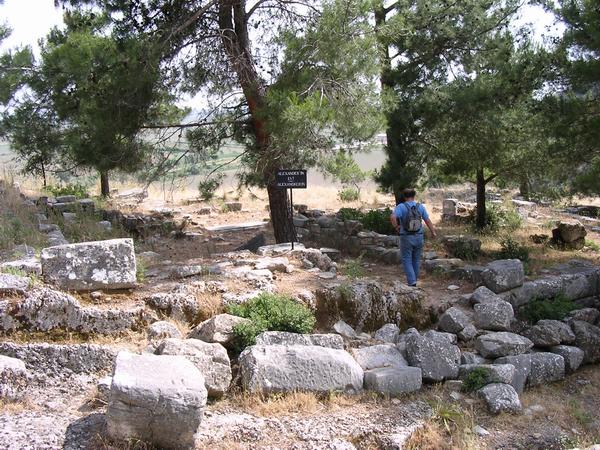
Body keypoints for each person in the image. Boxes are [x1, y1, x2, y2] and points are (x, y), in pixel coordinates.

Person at [390, 188, 437, 286]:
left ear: (404, 196)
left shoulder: (401, 207)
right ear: (414, 196)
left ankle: (412, 282)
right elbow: (427, 220)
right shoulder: (420, 207)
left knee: (407, 259)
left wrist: (396, 227)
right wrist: (433, 232)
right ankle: (414, 280)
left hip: (406, 237)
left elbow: (393, 217)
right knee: (416, 259)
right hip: (419, 237)